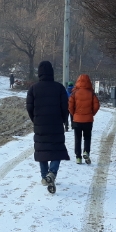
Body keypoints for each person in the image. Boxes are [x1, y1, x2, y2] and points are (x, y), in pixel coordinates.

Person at [26, 61, 70, 193]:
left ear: (39, 73)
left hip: (40, 125)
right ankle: (52, 173)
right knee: (57, 149)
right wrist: (63, 120)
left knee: (42, 150)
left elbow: (29, 108)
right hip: (56, 123)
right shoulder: (59, 88)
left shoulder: (33, 89)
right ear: (52, 72)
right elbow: (65, 107)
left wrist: (35, 120)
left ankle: (45, 176)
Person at [68, 74, 100, 165]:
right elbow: (97, 105)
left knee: (77, 139)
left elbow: (70, 106)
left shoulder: (74, 93)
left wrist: (74, 114)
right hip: (88, 120)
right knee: (87, 138)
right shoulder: (91, 93)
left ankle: (78, 157)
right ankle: (86, 152)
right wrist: (91, 113)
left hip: (77, 120)